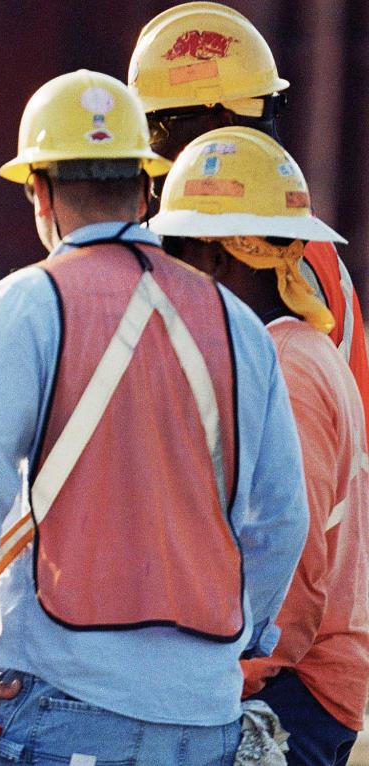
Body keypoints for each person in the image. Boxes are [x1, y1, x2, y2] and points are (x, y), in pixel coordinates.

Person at [0, 70, 309, 765]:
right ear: (149, 189)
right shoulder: (242, 328)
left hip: (68, 704)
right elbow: (281, 520)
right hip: (205, 715)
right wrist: (231, 644)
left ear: (39, 192)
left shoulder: (28, 304)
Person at [152, 126, 368, 766]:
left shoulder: (288, 369)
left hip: (288, 688)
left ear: (224, 254)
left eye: (181, 255)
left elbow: (292, 553)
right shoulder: (294, 351)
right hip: (294, 677)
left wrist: (233, 675)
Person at [129, 1, 369, 421]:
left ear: (218, 120)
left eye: (155, 127)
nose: (146, 152)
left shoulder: (267, 259)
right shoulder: (305, 243)